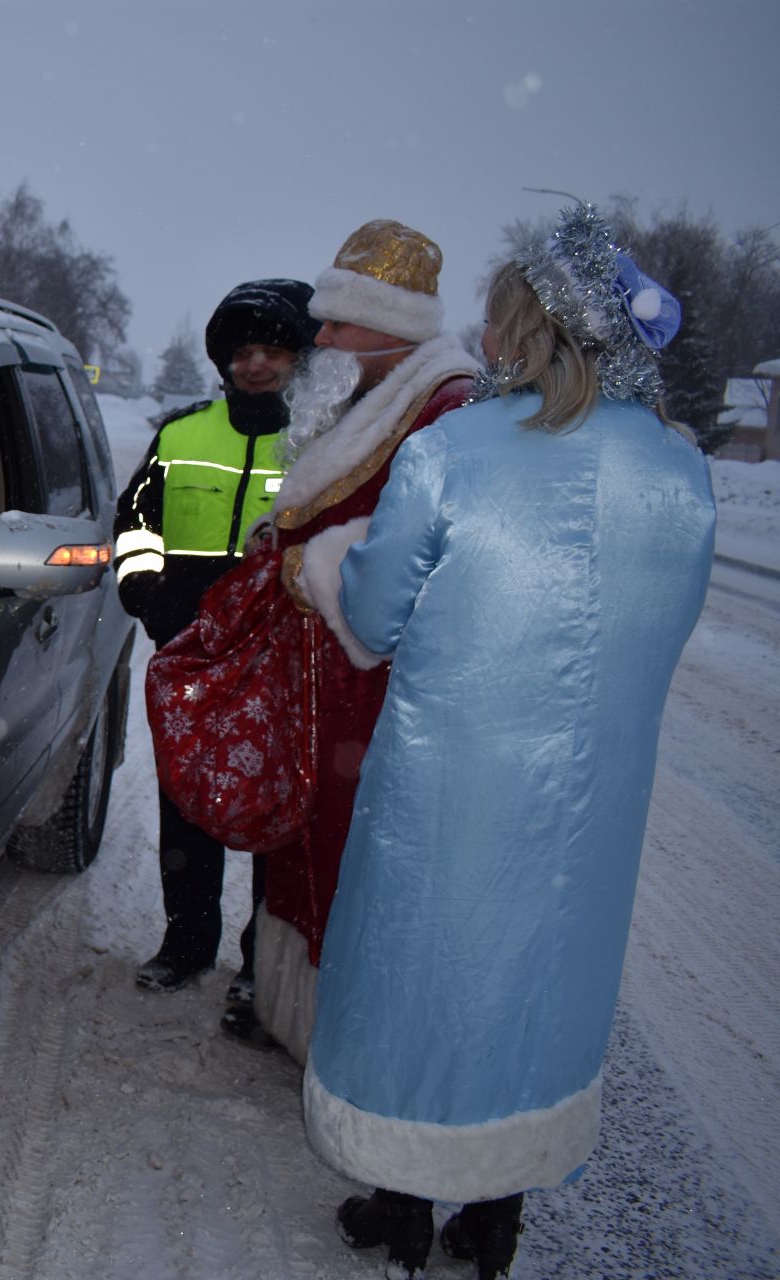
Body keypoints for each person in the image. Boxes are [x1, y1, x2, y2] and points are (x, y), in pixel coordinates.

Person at [298, 201, 714, 1279]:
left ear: (523, 329)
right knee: (539, 978)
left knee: (423, 971)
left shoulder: (452, 453)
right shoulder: (682, 475)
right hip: (594, 800)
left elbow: (376, 618)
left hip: (450, 784)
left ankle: (400, 1198)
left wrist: (330, 562)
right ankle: (496, 1214)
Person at [249, 221, 479, 1062]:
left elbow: (411, 551)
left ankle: (345, 1040)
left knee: (350, 859)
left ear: (391, 328)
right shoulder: (382, 393)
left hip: (374, 689)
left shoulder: (444, 407)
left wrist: (308, 561)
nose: (323, 338)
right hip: (334, 686)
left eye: (340, 324)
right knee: (310, 844)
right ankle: (299, 1017)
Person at [114, 279, 316, 1046]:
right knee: (187, 801)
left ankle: (260, 969)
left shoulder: (321, 443)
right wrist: (154, 606)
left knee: (272, 811)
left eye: (272, 351)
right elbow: (133, 526)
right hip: (192, 654)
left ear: (298, 358)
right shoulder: (181, 435)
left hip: (278, 663)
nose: (255, 365)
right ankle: (186, 943)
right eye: (242, 351)